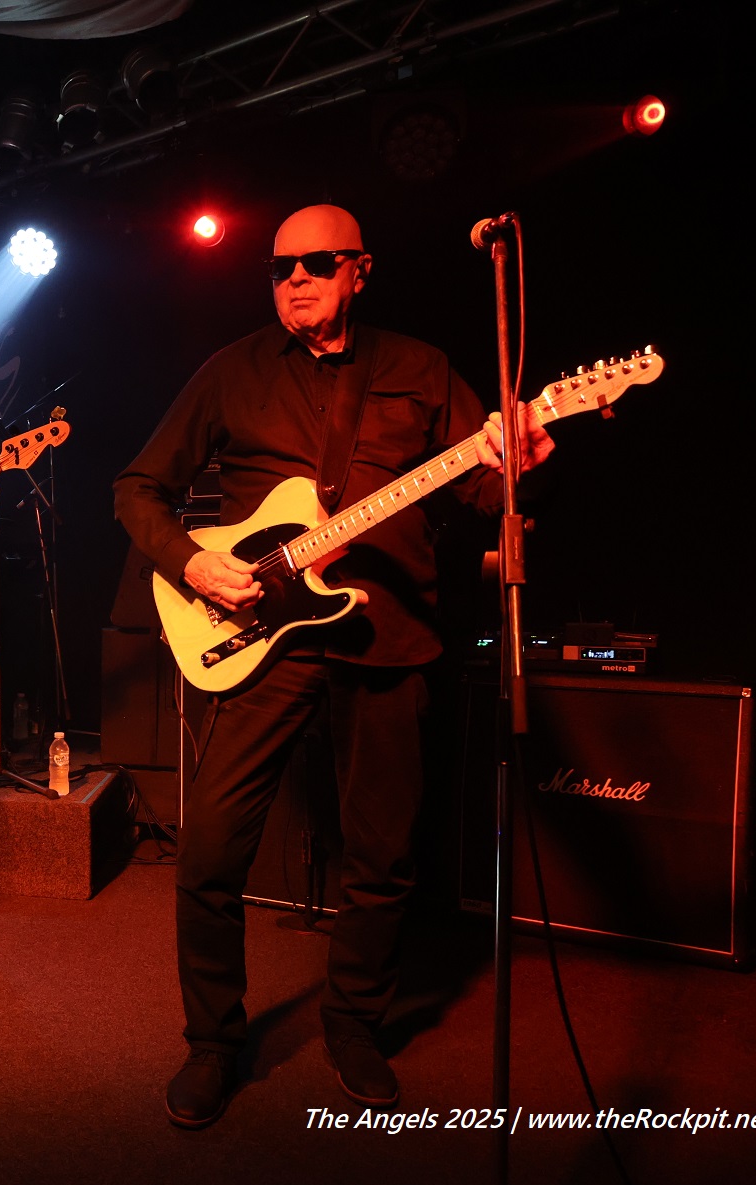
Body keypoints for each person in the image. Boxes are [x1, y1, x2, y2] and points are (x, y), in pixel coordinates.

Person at [114, 205, 553, 1126]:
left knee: (383, 857)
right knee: (208, 853)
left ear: (361, 269)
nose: (296, 281)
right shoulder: (232, 370)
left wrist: (517, 460)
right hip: (260, 637)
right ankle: (213, 1042)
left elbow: (480, 487)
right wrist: (192, 563)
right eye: (280, 269)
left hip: (387, 636)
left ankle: (354, 1024)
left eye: (317, 264)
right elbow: (138, 487)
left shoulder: (420, 368)